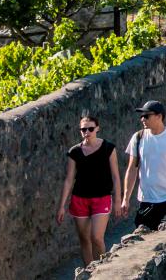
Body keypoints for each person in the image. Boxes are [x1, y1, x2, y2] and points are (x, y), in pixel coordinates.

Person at [54, 110, 122, 265]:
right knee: (84, 239)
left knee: (96, 238)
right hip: (79, 198)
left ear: (97, 128)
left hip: (102, 197)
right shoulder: (75, 151)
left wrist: (118, 200)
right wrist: (61, 206)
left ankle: (103, 270)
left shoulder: (108, 148)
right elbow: (69, 179)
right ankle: (89, 273)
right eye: (83, 129)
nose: (87, 132)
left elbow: (116, 176)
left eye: (90, 128)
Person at [121, 100, 166, 230]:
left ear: (159, 116)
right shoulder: (138, 138)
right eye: (141, 116)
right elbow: (132, 169)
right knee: (143, 236)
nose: (143, 119)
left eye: (146, 115)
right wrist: (125, 198)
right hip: (146, 198)